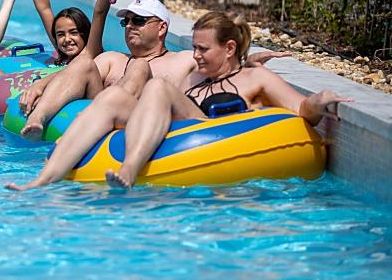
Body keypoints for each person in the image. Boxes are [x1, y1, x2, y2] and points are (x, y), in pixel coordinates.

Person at [6, 3, 287, 191]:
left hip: (180, 125)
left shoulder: (186, 60)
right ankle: (42, 175)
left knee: (145, 73)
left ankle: (126, 164)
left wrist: (248, 59)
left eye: (138, 20)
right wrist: (42, 81)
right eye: (126, 21)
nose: (130, 26)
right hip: (121, 113)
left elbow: (221, 58)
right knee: (93, 69)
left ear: (162, 27)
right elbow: (72, 69)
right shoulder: (113, 58)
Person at [102, 11, 352, 187]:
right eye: (195, 47)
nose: (195, 55)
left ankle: (132, 168)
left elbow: (300, 108)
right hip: (183, 158)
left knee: (158, 86)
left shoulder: (256, 78)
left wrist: (318, 101)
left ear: (229, 48)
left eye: (202, 49)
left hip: (222, 155)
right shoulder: (193, 78)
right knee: (155, 89)